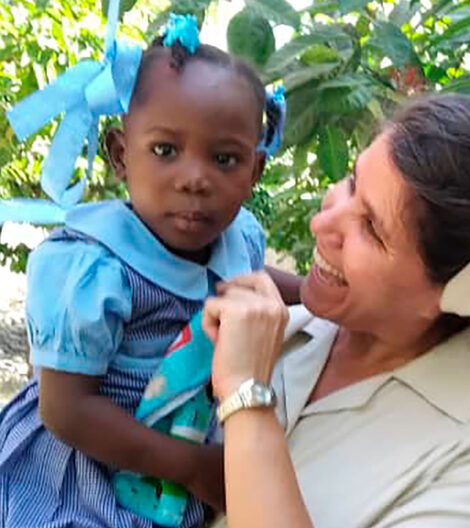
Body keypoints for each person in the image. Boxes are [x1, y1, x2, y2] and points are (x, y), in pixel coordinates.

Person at [203, 94, 470, 528]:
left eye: (372, 228)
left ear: (457, 292)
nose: (321, 224)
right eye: (352, 183)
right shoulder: (274, 330)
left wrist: (246, 397)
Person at [0, 9, 299, 528]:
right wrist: (194, 467)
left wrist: (316, 294)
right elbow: (67, 411)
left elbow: (245, 279)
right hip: (80, 469)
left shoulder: (238, 237)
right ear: (120, 155)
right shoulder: (95, 268)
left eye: (224, 159)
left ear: (255, 171)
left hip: (173, 457)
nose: (194, 179)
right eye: (165, 150)